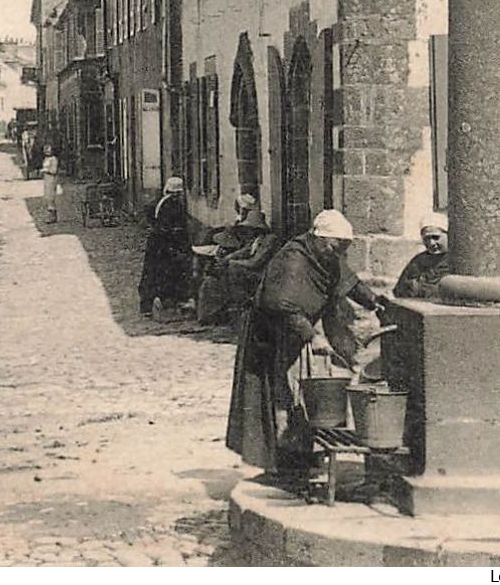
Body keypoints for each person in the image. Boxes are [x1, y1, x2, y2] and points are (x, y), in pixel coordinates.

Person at [225, 209, 385, 475]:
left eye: (344, 247)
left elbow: (348, 281)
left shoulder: (326, 255)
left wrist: (374, 302)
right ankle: (284, 462)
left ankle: (305, 452)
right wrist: (312, 335)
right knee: (281, 395)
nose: (340, 253)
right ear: (319, 238)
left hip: (298, 335)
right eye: (337, 246)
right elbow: (282, 304)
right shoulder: (294, 260)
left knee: (304, 394)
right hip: (273, 337)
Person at [139, 177, 192, 316]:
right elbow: (168, 227)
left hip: (159, 241)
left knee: (161, 271)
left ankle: (163, 300)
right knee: (156, 271)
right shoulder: (169, 204)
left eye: (178, 193)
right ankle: (149, 303)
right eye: (175, 193)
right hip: (162, 242)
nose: (176, 196)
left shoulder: (162, 202)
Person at [394, 213, 451, 300]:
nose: (431, 243)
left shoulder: (456, 260)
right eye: (426, 239)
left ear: (448, 235)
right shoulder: (418, 261)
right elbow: (400, 290)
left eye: (435, 237)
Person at [41, 145, 59, 222]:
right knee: (47, 197)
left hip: (51, 179)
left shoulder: (54, 159)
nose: (47, 152)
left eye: (48, 150)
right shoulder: (46, 159)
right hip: (46, 179)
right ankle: (50, 215)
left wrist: (45, 170)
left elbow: (54, 171)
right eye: (45, 150)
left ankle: (52, 216)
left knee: (51, 197)